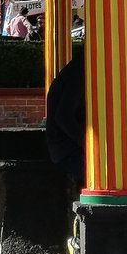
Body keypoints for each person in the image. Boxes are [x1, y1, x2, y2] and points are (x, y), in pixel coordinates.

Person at [44, 50, 85, 183]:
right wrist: (85, 141)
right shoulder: (78, 75)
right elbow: (63, 117)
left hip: (64, 147)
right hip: (66, 150)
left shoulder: (74, 71)